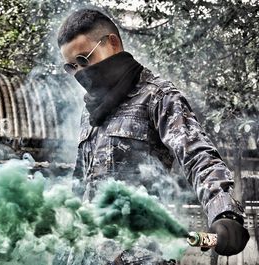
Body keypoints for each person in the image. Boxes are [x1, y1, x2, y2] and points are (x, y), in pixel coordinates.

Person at [56, 8, 249, 265]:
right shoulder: (89, 113)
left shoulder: (158, 96)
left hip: (136, 256)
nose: (80, 72)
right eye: (72, 67)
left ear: (111, 43)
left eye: (84, 59)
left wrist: (225, 213)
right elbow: (79, 188)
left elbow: (198, 156)